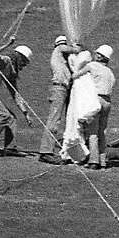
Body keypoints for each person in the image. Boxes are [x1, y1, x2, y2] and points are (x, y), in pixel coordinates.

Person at [70, 44, 115, 170]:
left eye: (97, 54)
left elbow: (76, 75)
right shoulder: (110, 72)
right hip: (107, 102)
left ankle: (93, 161)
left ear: (101, 57)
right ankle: (103, 160)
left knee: (93, 132)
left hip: (96, 101)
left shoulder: (92, 66)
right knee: (102, 131)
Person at [37, 35, 79, 165]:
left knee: (68, 119)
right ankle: (45, 152)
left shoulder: (65, 62)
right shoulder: (58, 50)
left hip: (65, 89)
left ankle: (67, 150)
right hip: (59, 89)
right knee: (54, 120)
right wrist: (77, 47)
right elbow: (66, 48)